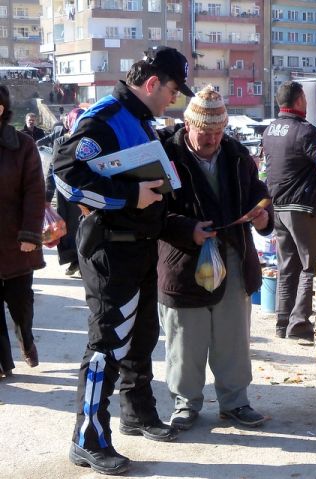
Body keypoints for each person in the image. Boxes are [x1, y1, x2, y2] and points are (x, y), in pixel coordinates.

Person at [53, 45, 195, 475]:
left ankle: (137, 412)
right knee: (107, 345)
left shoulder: (139, 119)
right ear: (152, 83)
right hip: (111, 250)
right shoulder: (105, 118)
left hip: (140, 247)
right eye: (173, 90)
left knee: (141, 338)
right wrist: (129, 196)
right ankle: (88, 439)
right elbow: (66, 176)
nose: (175, 99)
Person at [158, 86, 274, 431]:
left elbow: (259, 194)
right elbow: (151, 213)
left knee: (233, 336)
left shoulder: (236, 154)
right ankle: (185, 403)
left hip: (233, 256)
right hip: (182, 262)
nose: (212, 139)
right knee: (185, 338)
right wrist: (187, 229)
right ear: (187, 125)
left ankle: (235, 402)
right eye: (204, 132)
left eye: (218, 132)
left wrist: (263, 216)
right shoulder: (165, 156)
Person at [262, 81, 316, 340]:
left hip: (278, 206)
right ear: (299, 100)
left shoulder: (270, 130)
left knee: (287, 266)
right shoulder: (305, 131)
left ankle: (283, 322)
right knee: (314, 264)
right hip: (302, 206)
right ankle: (300, 324)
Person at [0, 86, 45, 378]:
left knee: (21, 305)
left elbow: (35, 191)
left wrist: (30, 233)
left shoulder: (23, 145)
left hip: (16, 240)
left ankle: (26, 340)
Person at [41, 108, 86, 277]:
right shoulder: (65, 141)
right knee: (73, 228)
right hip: (76, 192)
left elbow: (53, 169)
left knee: (78, 228)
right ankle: (77, 261)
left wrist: (47, 196)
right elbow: (53, 169)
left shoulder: (83, 140)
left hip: (75, 192)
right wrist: (47, 197)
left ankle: (79, 262)